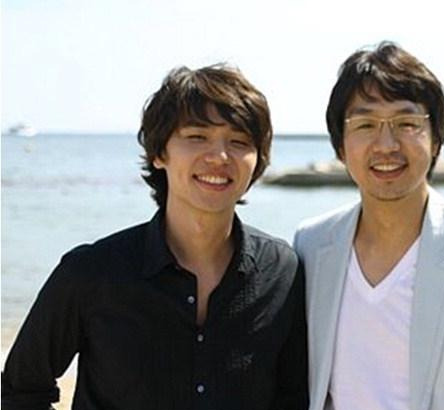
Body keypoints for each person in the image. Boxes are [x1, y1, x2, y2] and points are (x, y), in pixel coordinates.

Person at [2, 65, 307, 410]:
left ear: (258, 161)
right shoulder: (92, 273)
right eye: (197, 136)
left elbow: (293, 396)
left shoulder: (281, 271)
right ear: (159, 153)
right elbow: (21, 389)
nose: (220, 157)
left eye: (239, 142)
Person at [293, 41, 444, 410]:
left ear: (437, 138)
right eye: (365, 124)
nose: (386, 144)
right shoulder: (312, 245)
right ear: (340, 146)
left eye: (407, 123)